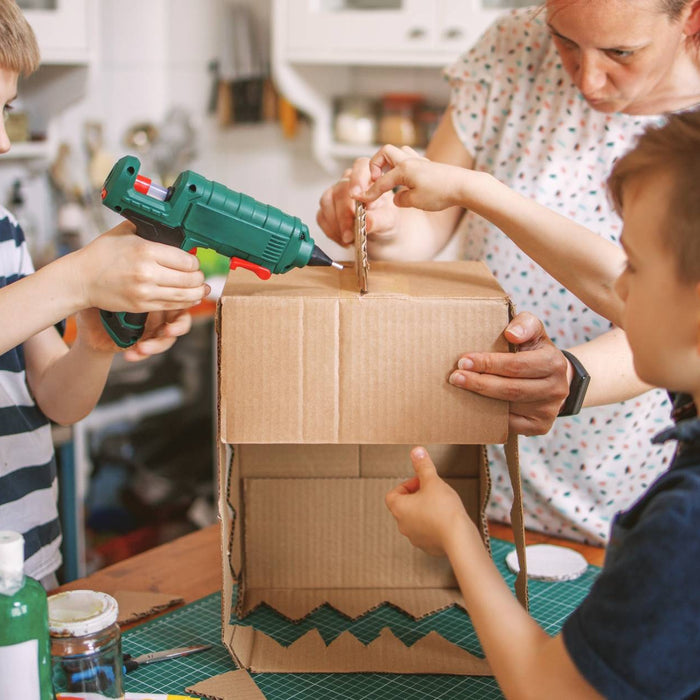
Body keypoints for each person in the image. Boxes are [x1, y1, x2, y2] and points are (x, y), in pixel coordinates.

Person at [316, 0, 700, 545]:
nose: (587, 78)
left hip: (623, 498)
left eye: (621, 52)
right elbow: (433, 219)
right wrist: (383, 222)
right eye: (564, 40)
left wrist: (570, 378)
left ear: (692, 16)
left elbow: (676, 326)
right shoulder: (512, 47)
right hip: (480, 476)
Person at [384, 110, 700, 699]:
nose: (620, 289)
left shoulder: (687, 530)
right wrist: (468, 188)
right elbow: (608, 282)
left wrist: (457, 534)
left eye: (636, 264)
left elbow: (551, 690)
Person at [0, 0, 209, 587]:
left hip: (32, 564)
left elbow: (58, 403)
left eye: (7, 111)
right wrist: (78, 276)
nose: (4, 142)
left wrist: (92, 342)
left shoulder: (4, 232)